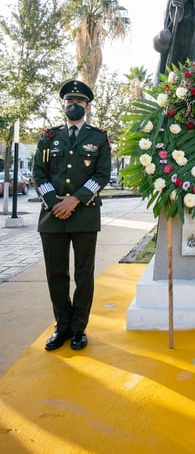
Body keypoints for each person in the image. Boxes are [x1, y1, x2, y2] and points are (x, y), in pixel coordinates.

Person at [33, 80, 111, 351]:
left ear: (87, 107)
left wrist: (74, 200)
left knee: (83, 274)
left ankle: (79, 328)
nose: (73, 106)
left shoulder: (98, 137)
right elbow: (38, 173)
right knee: (56, 274)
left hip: (85, 215)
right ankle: (62, 326)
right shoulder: (49, 136)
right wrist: (56, 203)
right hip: (52, 214)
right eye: (69, 102)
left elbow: (102, 175)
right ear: (63, 105)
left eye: (79, 102)